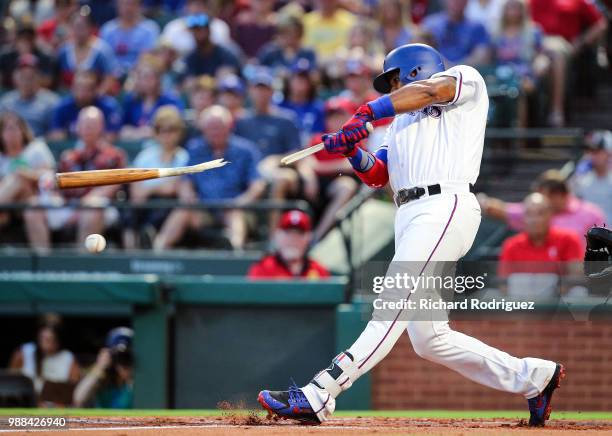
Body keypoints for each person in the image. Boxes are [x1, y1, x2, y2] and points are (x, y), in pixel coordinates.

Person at [258, 43, 564, 427]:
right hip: (410, 213)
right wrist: (352, 150)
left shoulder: (464, 80)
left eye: (395, 79)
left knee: (391, 305)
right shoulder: (399, 124)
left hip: (444, 204)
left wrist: (366, 111)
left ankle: (321, 392)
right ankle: (534, 377)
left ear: (416, 70)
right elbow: (377, 174)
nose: (392, 88)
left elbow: (432, 92)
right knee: (430, 338)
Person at [153, 105, 265, 250]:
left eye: (218, 127)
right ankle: (157, 250)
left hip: (236, 208)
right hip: (204, 209)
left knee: (235, 215)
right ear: (203, 129)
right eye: (210, 127)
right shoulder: (195, 149)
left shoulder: (245, 150)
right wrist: (187, 193)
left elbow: (258, 184)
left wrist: (241, 201)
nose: (214, 132)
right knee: (182, 210)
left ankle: (234, 251)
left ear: (229, 127)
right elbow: (185, 180)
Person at [25, 107, 127, 249]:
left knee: (93, 206)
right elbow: (56, 186)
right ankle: (43, 263)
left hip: (101, 208)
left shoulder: (114, 155)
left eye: (91, 125)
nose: (87, 129)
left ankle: (82, 263)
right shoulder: (68, 156)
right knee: (33, 207)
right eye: (84, 125)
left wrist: (80, 208)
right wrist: (56, 197)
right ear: (77, 127)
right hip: (68, 205)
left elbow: (110, 188)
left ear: (101, 127)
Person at [529, 0, 607, 127]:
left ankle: (556, 110)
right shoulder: (532, 2)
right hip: (537, 47)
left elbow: (600, 24)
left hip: (563, 45)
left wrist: (581, 42)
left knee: (556, 55)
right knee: (542, 65)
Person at [479, 169, 605, 247]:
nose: (535, 218)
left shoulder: (591, 214)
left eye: (543, 195)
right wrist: (479, 201)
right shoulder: (534, 211)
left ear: (558, 195)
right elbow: (503, 210)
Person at [295, 96, 361, 242]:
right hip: (315, 190)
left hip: (338, 186)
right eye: (332, 116)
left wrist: (318, 167)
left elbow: (349, 165)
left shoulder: (355, 139)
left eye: (340, 116)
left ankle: (317, 237)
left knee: (346, 186)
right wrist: (308, 176)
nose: (335, 121)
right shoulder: (318, 139)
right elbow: (304, 161)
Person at [124, 106, 189, 248]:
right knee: (130, 213)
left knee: (165, 207)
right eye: (161, 130)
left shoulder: (183, 157)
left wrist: (149, 189)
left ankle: (153, 244)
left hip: (167, 205)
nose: (167, 135)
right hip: (144, 204)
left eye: (172, 130)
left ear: (179, 132)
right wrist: (157, 188)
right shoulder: (145, 156)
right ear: (156, 132)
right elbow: (137, 194)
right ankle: (130, 253)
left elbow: (172, 189)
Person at [498, 193, 583, 299]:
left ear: (550, 215)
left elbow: (575, 277)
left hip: (559, 303)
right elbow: (503, 284)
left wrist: (550, 296)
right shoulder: (511, 244)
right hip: (522, 303)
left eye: (540, 213)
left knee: (578, 292)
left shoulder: (569, 239)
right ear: (524, 218)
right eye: (530, 214)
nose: (534, 219)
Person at [0, 112, 55, 249]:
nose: (12, 133)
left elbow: (49, 177)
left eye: (15, 128)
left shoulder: (36, 149)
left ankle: (43, 265)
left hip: (34, 196)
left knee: (18, 179)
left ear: (23, 130)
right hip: (7, 208)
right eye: (7, 129)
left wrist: (26, 175)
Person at [492, 0, 546, 128]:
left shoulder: (534, 31)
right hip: (500, 75)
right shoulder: (495, 32)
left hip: (524, 75)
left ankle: (519, 140)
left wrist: (539, 68)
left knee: (518, 90)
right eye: (510, 7)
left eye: (516, 7)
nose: (513, 11)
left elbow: (541, 55)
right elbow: (490, 58)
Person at [9, 314, 80, 407]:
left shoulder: (68, 357)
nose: (47, 344)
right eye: (43, 339)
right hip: (26, 407)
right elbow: (10, 385)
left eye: (51, 340)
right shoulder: (24, 353)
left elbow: (73, 391)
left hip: (58, 410)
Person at [248, 210, 330, 279]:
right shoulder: (262, 269)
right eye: (288, 233)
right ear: (278, 235)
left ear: (308, 238)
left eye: (299, 234)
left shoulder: (319, 271)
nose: (293, 239)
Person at [57, 6, 119, 92]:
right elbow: (58, 78)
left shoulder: (102, 51)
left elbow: (111, 78)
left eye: (82, 27)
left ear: (91, 28)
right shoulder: (64, 51)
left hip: (96, 97)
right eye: (76, 27)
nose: (78, 31)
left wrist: (95, 95)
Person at [120, 56, 183, 140]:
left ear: (158, 78)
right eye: (140, 76)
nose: (143, 81)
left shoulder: (170, 101)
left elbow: (175, 127)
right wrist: (138, 132)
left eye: (147, 76)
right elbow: (121, 128)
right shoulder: (131, 100)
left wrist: (152, 132)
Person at [49, 71, 123, 140]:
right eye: (78, 88)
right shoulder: (63, 107)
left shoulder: (108, 106)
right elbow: (56, 134)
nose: (82, 94)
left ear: (95, 90)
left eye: (86, 89)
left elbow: (112, 135)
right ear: (72, 89)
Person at [73, 327, 134, 408]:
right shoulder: (102, 376)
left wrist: (130, 376)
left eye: (126, 356)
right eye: (117, 355)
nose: (121, 360)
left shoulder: (135, 378)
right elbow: (78, 399)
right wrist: (100, 367)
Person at [0, 54, 59, 136]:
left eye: (31, 76)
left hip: (39, 145)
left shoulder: (51, 102)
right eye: (23, 75)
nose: (27, 80)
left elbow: (55, 134)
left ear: (39, 77)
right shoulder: (6, 102)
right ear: (15, 77)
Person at [99, 0, 160, 77]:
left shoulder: (150, 28)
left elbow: (149, 57)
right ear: (117, 5)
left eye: (131, 4)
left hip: (138, 76)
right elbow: (104, 58)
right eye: (123, 4)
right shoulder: (107, 29)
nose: (127, 8)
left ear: (140, 6)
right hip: (110, 76)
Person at [422, 0, 491, 66]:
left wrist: (456, 69)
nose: (457, 1)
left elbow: (481, 56)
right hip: (436, 73)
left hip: (466, 74)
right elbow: (424, 53)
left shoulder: (477, 27)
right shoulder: (430, 24)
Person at [279, 59, 325, 146]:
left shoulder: (318, 108)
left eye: (305, 79)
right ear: (289, 81)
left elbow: (320, 136)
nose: (300, 82)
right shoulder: (279, 106)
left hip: (309, 152)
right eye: (297, 78)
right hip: (282, 151)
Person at [161, 0, 232, 56]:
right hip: (180, 69)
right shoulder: (173, 27)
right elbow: (164, 53)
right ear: (187, 6)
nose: (199, 9)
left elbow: (222, 54)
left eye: (204, 5)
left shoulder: (220, 27)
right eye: (196, 4)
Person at [182, 14, 242, 81]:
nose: (198, 34)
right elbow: (187, 80)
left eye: (201, 29)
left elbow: (235, 74)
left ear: (209, 30)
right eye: (195, 30)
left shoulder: (225, 54)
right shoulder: (190, 57)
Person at [571, 130, 612, 225]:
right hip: (588, 237)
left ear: (609, 153)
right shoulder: (580, 181)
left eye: (598, 151)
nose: (594, 155)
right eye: (592, 151)